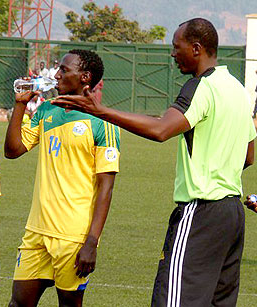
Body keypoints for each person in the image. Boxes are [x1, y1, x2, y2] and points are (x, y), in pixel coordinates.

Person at [53, 18, 256, 306]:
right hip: (232, 215)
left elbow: (161, 129)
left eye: (177, 47)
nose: (173, 54)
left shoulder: (200, 86)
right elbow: (248, 156)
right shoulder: (237, 89)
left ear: (196, 48)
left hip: (201, 213)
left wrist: (101, 111)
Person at [5, 49, 120, 307]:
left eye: (64, 70)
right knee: (17, 304)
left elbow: (106, 187)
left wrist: (92, 242)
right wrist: (20, 104)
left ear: (84, 77)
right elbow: (13, 150)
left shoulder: (103, 122)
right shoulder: (46, 111)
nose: (56, 75)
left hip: (73, 237)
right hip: (36, 232)